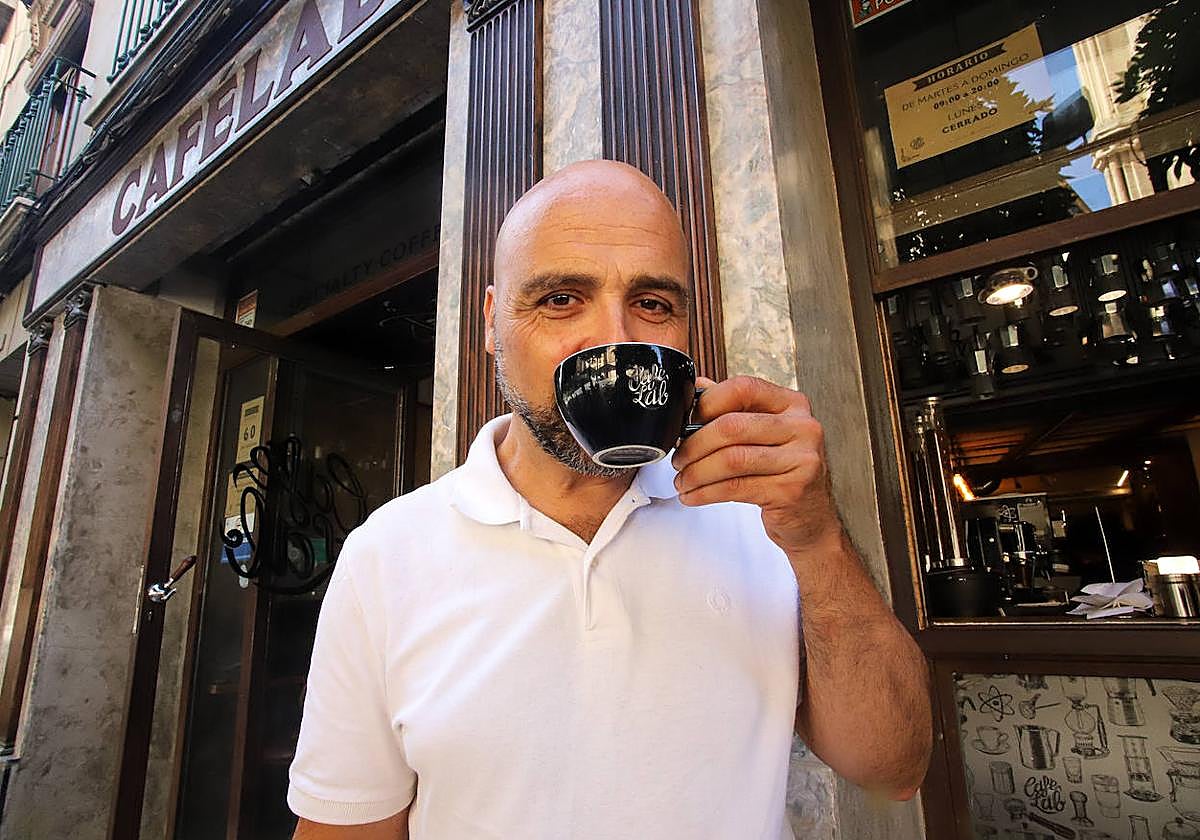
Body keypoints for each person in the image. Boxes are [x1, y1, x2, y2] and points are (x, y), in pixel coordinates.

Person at [289, 160, 931, 840]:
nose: (614, 339)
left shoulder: (760, 518)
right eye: (562, 299)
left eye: (653, 304)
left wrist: (817, 536)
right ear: (491, 322)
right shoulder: (388, 557)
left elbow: (894, 768)